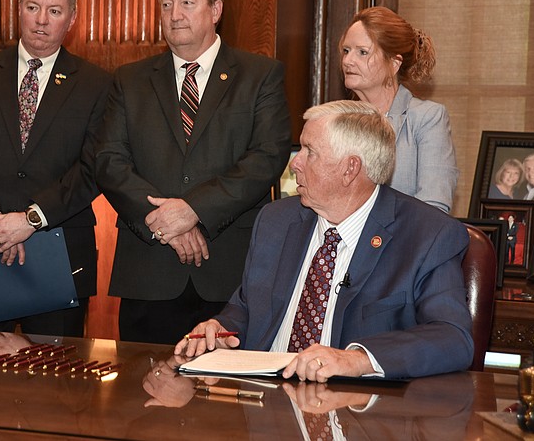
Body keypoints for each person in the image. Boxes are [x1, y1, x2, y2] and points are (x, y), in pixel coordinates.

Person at [175, 100, 473, 381]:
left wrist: (356, 360)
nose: (295, 164)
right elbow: (246, 309)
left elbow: (451, 337)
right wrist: (221, 329)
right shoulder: (275, 221)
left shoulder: (427, 235)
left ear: (350, 169)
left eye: (309, 152)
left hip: (356, 414)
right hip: (265, 405)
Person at [95, 0, 291, 345]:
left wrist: (193, 211)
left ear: (215, 9)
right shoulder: (128, 80)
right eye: (166, 4)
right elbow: (109, 162)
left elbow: (266, 158)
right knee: (142, 399)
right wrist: (164, 221)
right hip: (148, 272)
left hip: (228, 276)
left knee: (224, 403)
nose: (175, 15)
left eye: (187, 3)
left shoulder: (259, 76)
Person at [0, 0, 112, 336]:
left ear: (70, 19)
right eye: (33, 7)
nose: (41, 20)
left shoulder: (98, 85)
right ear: (18, 7)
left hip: (59, 252)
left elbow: (92, 168)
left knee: (56, 386)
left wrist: (29, 220)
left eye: (54, 11)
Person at [340, 6, 458, 213]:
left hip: (404, 242)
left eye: (362, 52)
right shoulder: (336, 120)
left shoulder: (427, 118)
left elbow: (434, 208)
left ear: (394, 63)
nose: (348, 61)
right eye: (346, 51)